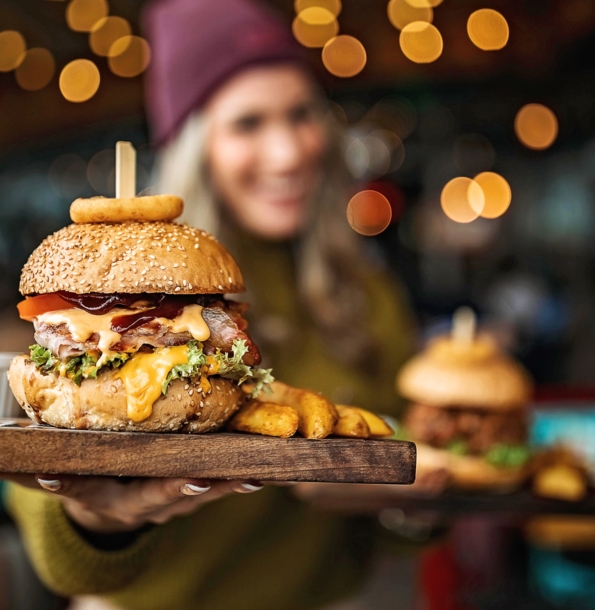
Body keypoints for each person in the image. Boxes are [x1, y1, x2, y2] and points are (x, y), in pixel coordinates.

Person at [4, 0, 414, 608]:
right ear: (197, 144)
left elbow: (397, 506)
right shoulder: (117, 260)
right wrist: (104, 525)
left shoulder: (370, 296)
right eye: (247, 123)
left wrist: (410, 509)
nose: (287, 152)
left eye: (301, 113)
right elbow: (57, 543)